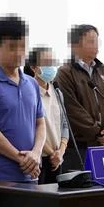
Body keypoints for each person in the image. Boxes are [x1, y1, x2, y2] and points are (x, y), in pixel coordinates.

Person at [0, 15, 46, 183]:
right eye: (12, 47)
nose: (19, 52)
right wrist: (21, 159)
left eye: (23, 46)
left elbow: (40, 123)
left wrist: (35, 154)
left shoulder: (31, 84)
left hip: (31, 174)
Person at [55, 24, 104, 171]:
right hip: (79, 147)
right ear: (75, 45)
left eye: (97, 41)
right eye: (91, 41)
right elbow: (72, 109)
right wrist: (98, 132)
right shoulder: (65, 72)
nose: (96, 45)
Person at [23, 46, 69, 184]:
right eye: (46, 62)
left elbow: (64, 125)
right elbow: (31, 127)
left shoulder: (57, 91)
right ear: (34, 67)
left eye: (53, 62)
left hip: (58, 159)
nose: (51, 67)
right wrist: (51, 154)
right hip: (39, 157)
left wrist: (60, 151)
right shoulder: (28, 92)